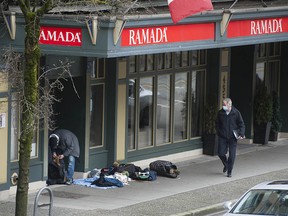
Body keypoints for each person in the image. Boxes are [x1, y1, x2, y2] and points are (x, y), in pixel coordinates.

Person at [215, 98, 245, 178]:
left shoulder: (236, 113)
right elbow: (217, 124)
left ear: (229, 104)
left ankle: (229, 171)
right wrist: (219, 132)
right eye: (222, 104)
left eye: (224, 105)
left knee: (232, 156)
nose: (223, 106)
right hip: (223, 136)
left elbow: (241, 124)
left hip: (232, 137)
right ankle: (226, 164)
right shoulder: (220, 113)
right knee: (220, 153)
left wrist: (241, 133)